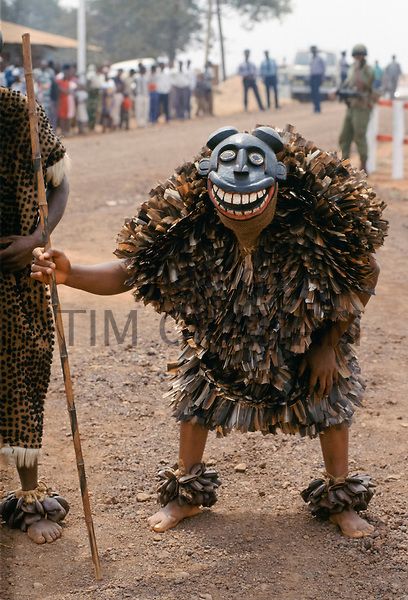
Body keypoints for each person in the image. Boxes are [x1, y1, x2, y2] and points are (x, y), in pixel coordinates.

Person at [32, 124, 387, 541]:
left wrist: (327, 345)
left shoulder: (309, 227)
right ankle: (186, 493)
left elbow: (366, 272)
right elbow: (130, 271)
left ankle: (339, 497)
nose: (239, 189)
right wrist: (70, 275)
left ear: (276, 184)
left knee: (330, 401)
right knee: (195, 398)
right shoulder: (188, 226)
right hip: (219, 343)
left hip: (302, 340)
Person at [0, 56, 70, 544]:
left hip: (14, 281)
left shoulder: (22, 115)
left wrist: (37, 236)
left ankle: (28, 498)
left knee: (22, 381)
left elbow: (61, 185)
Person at [339, 44, 377, 172]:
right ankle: (345, 166)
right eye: (355, 56)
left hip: (362, 107)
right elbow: (348, 83)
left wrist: (359, 70)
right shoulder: (351, 69)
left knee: (359, 136)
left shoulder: (368, 70)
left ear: (364, 56)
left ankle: (364, 165)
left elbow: (366, 83)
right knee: (344, 137)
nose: (357, 58)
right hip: (351, 107)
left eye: (359, 55)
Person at [57, 64, 77, 136]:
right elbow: (63, 90)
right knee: (62, 117)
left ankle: (67, 131)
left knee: (68, 117)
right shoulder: (59, 80)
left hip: (68, 101)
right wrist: (67, 91)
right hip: (62, 101)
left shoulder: (68, 82)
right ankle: (63, 131)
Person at [309, 46, 325, 113]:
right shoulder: (311, 59)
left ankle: (318, 108)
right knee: (313, 93)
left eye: (314, 50)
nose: (313, 52)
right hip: (312, 77)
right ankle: (315, 108)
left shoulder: (319, 59)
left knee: (317, 93)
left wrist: (322, 78)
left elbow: (323, 68)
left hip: (318, 77)